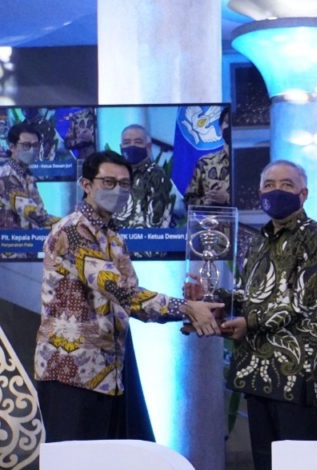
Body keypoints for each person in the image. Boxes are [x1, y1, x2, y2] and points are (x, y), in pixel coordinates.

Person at [188, 160, 317, 470]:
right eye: (268, 183)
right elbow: (251, 294)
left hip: (294, 369)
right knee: (268, 467)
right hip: (257, 368)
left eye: (286, 184)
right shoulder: (258, 241)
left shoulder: (315, 238)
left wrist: (248, 320)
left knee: (297, 467)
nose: (276, 190)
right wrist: (211, 298)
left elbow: (300, 301)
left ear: (303, 194)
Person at [34, 150, 222, 445]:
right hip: (71, 371)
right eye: (108, 182)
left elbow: (132, 302)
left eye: (124, 184)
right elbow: (119, 290)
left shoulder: (112, 236)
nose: (118, 190)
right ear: (86, 184)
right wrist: (185, 308)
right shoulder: (72, 231)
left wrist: (188, 313)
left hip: (111, 372)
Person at [0, 122, 59, 232]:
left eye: (35, 145)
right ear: (12, 147)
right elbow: (33, 213)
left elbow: (39, 208)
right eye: (26, 145)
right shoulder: (5, 178)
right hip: (6, 246)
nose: (32, 150)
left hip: (25, 244)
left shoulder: (26, 175)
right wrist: (69, 224)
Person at [113, 124, 176, 229]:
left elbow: (156, 220)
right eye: (127, 142)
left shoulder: (157, 176)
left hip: (146, 240)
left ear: (148, 147)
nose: (132, 146)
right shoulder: (112, 175)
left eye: (138, 142)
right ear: (121, 147)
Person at [184, 107, 231, 207]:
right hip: (209, 221)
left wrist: (227, 198)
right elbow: (188, 201)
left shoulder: (251, 163)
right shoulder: (205, 162)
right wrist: (207, 201)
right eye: (227, 122)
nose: (230, 127)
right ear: (219, 129)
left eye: (234, 123)